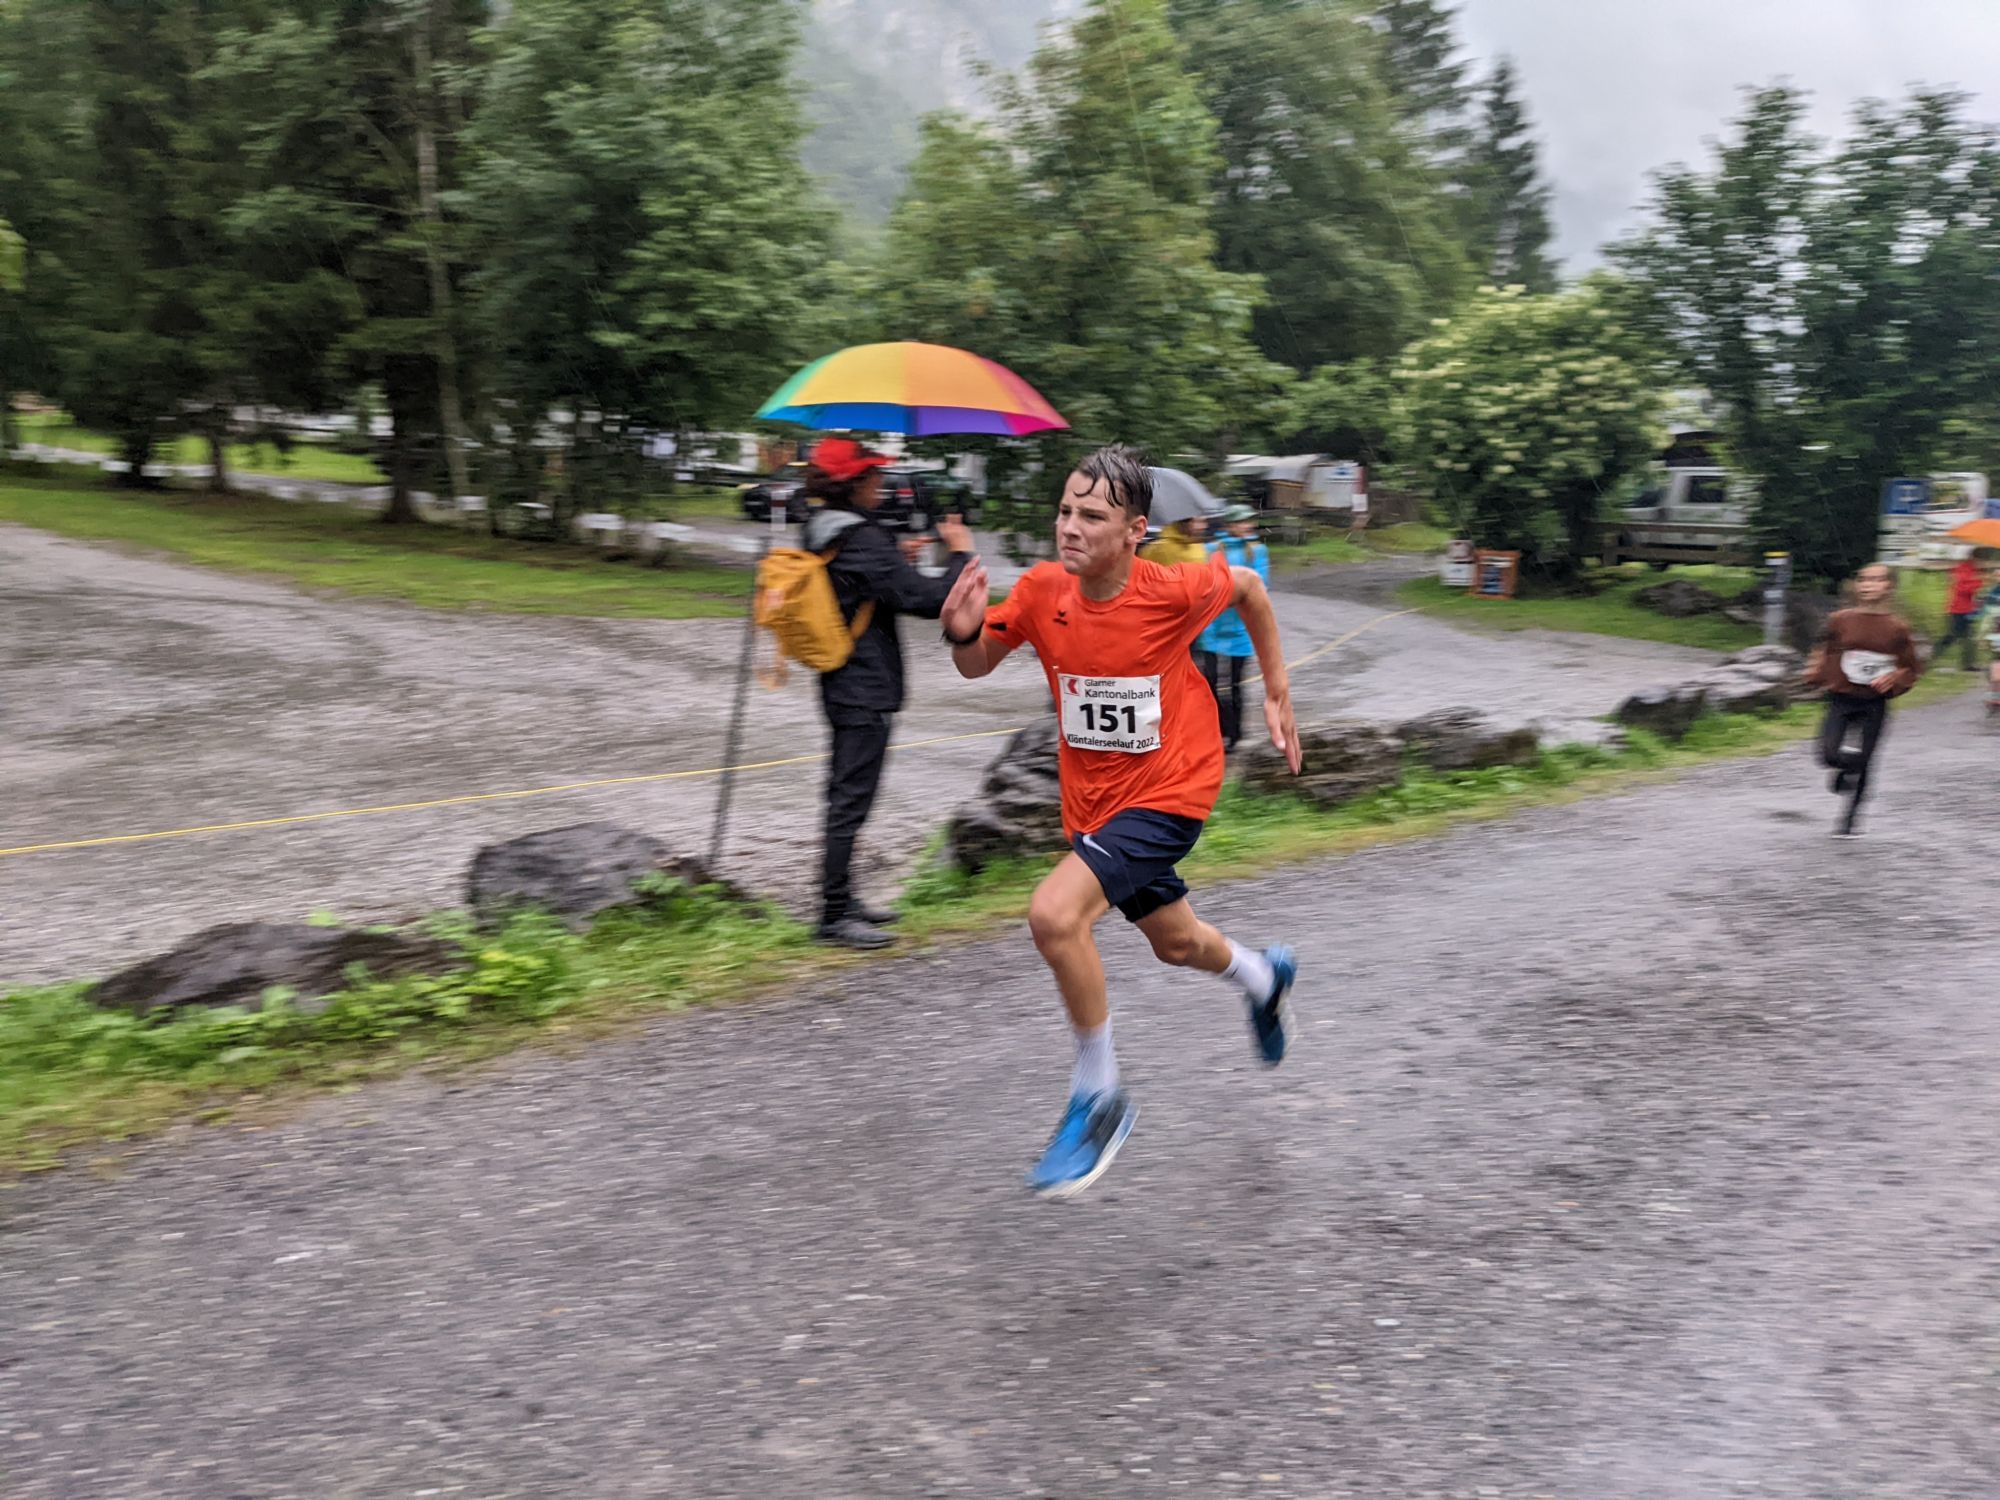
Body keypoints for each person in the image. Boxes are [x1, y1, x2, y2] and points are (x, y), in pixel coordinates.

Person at [938, 445, 1303, 1198]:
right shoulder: (1043, 591)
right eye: (1065, 509)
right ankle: (1264, 978)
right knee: (1176, 943)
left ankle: (1099, 1098)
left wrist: (1276, 691)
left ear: (1135, 530)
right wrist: (962, 633)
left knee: (1053, 914)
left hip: (1175, 787)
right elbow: (975, 665)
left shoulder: (1171, 587)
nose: (1069, 526)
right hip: (1097, 805)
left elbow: (1251, 589)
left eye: (1091, 516)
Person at [800, 438, 977, 949]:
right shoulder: (861, 538)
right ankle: (833, 915)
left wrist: (894, 557)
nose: (882, 483)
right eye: (873, 476)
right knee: (850, 800)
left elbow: (861, 582)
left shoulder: (823, 527)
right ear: (853, 485)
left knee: (846, 794)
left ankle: (843, 899)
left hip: (841, 679)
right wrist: (959, 550)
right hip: (864, 686)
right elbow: (927, 600)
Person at [1806, 562, 1922, 838]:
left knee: (1866, 759)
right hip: (1841, 697)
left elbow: (1911, 667)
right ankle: (1846, 770)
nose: (1868, 585)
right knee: (1828, 753)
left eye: (1876, 580)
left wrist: (1894, 678)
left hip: (1875, 701)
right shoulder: (1840, 619)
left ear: (1889, 587)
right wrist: (1816, 670)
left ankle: (1850, 819)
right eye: (1863, 580)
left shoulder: (1897, 627)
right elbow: (1825, 648)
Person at [1196, 504, 1269, 752]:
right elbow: (1206, 583)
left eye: (1248, 521)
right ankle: (1218, 730)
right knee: (1211, 682)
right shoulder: (1212, 549)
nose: (1246, 526)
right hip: (1212, 626)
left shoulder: (1257, 551)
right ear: (1229, 525)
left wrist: (1230, 594)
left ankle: (1235, 734)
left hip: (1241, 628)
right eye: (1240, 522)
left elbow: (1260, 586)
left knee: (1237, 684)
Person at [1932, 553, 1987, 671]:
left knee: (1968, 636)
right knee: (1954, 635)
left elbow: (1971, 590)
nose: (1982, 563)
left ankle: (1968, 664)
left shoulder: (1972, 570)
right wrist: (1978, 582)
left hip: (1967, 609)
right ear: (1974, 557)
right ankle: (1932, 654)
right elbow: (1962, 589)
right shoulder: (1962, 569)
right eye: (1981, 559)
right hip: (1958, 609)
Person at [1138, 512, 1208, 567]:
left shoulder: (1197, 545)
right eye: (1199, 522)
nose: (1204, 526)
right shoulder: (1162, 548)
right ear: (1183, 523)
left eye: (1204, 521)